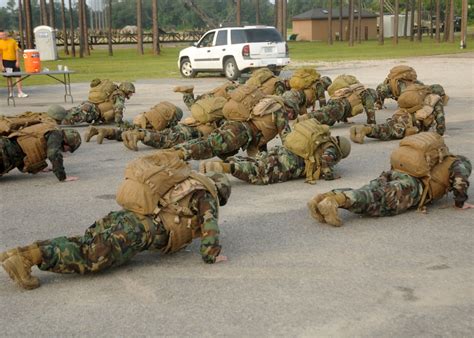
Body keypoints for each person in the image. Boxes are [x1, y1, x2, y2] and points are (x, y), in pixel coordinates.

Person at [0, 153, 231, 290]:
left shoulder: (185, 182)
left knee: (84, 243)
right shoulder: (204, 195)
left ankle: (20, 252)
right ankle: (28, 257)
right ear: (219, 191)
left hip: (124, 216)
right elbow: (209, 226)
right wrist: (212, 254)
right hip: (138, 231)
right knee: (91, 256)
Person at [307, 133, 473, 227]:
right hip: (412, 186)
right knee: (375, 198)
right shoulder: (459, 162)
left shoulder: (434, 157)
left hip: (394, 173)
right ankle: (335, 201)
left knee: (368, 190)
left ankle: (323, 197)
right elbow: (460, 181)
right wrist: (460, 202)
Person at [171, 92, 291, 161]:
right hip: (240, 132)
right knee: (209, 146)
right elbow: (288, 140)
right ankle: (174, 156)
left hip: (234, 126)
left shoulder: (267, 101)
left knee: (209, 143)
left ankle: (176, 151)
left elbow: (261, 131)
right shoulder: (280, 111)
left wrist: (261, 156)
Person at [200, 132, 351, 185]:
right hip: (288, 163)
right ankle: (224, 168)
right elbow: (325, 160)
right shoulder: (331, 150)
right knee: (260, 173)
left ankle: (219, 163)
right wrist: (329, 175)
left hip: (282, 151)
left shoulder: (322, 139)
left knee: (258, 162)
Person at [350, 84, 445, 143]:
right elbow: (441, 119)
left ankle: (364, 128)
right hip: (412, 122)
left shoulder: (420, 95)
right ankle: (365, 129)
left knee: (389, 126)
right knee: (389, 131)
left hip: (401, 114)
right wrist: (439, 133)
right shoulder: (435, 99)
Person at [0, 122, 81, 181]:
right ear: (66, 142)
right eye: (69, 149)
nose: (66, 151)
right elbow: (53, 154)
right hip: (6, 154)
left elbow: (31, 145)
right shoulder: (56, 134)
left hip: (6, 148)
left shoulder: (49, 128)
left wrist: (39, 167)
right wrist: (63, 177)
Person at [84, 102, 183, 144]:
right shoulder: (171, 118)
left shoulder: (162, 109)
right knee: (132, 133)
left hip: (142, 118)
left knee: (126, 131)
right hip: (147, 125)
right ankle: (104, 131)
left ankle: (101, 130)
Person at [303, 75, 377, 126]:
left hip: (335, 102)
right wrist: (371, 122)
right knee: (325, 116)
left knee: (328, 120)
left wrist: (344, 119)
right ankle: (306, 118)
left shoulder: (356, 89)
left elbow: (349, 101)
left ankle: (308, 119)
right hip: (340, 106)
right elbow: (370, 107)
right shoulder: (365, 94)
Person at [61, 79, 135, 125]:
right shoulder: (119, 95)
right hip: (92, 111)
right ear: (126, 89)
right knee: (67, 120)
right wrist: (119, 123)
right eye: (130, 92)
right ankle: (54, 119)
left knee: (70, 112)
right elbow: (119, 108)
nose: (131, 94)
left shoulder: (114, 92)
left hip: (89, 105)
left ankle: (55, 114)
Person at [375, 65, 449, 109]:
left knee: (434, 88)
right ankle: (379, 103)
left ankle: (442, 97)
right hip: (400, 93)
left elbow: (405, 96)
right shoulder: (387, 86)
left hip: (412, 93)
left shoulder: (411, 84)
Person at [0, 30, 28, 98]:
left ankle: (20, 92)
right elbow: (0, 55)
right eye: (0, 35)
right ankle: (11, 92)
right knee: (9, 77)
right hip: (6, 62)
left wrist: (17, 61)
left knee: (18, 76)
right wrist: (1, 65)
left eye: (3, 35)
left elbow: (16, 52)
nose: (1, 36)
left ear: (6, 34)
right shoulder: (0, 42)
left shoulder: (12, 41)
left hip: (14, 61)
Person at [174, 81, 238, 109]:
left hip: (212, 94)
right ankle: (187, 93)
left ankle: (188, 93)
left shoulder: (233, 86)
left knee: (196, 103)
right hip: (214, 99)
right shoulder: (238, 90)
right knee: (194, 107)